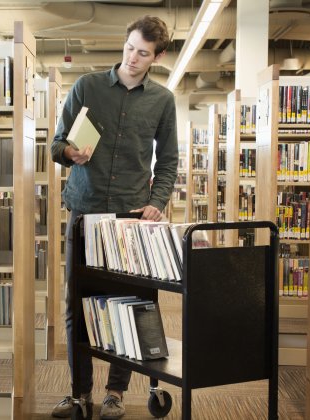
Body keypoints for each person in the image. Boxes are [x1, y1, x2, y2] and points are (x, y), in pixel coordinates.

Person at [50, 16, 178, 420]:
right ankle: (78, 393)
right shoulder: (87, 87)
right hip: (85, 211)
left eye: (143, 53)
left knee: (133, 303)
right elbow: (57, 144)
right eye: (129, 48)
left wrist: (158, 200)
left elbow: (170, 161)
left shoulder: (163, 99)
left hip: (131, 217)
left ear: (157, 56)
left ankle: (115, 393)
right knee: (78, 306)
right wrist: (70, 153)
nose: (133, 58)